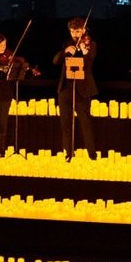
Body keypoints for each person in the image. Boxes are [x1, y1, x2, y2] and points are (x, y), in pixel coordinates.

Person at [51, 16, 98, 158]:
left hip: (83, 89)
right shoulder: (67, 44)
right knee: (65, 122)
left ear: (84, 30)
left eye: (77, 31)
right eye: (72, 31)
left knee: (85, 121)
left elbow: (89, 64)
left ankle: (91, 153)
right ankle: (68, 152)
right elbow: (55, 61)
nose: (75, 35)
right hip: (65, 87)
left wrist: (85, 54)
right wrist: (65, 52)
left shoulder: (91, 44)